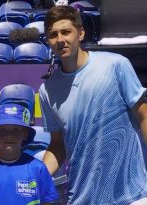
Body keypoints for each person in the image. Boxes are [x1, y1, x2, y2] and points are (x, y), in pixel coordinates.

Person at [39, 6, 147, 204]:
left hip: (133, 195)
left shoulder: (116, 65)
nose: (60, 39)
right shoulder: (47, 90)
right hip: (82, 197)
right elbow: (57, 145)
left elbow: (143, 116)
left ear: (80, 33)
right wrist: (35, 177)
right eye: (53, 34)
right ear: (48, 40)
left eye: (66, 31)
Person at [0, 104, 59, 205]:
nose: (9, 135)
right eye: (2, 130)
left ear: (25, 134)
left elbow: (47, 202)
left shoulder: (39, 168)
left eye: (16, 129)